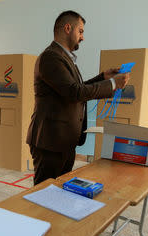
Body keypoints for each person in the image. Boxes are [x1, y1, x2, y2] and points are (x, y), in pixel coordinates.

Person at [26, 10, 131, 185]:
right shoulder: (51, 57)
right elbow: (75, 93)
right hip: (50, 141)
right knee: (44, 193)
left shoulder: (63, 58)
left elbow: (75, 89)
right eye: (80, 31)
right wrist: (113, 84)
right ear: (68, 28)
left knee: (59, 189)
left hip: (63, 140)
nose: (82, 37)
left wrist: (103, 77)